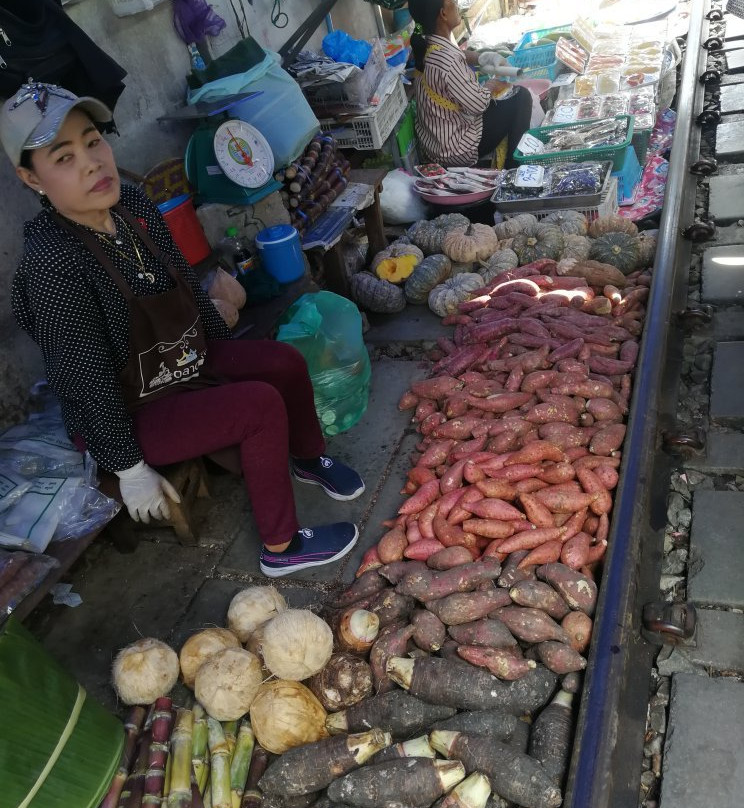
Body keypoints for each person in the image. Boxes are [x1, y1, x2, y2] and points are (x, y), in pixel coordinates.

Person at [0, 81, 364, 578]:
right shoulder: (52, 264)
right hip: (127, 408)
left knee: (282, 361)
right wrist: (128, 467)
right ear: (30, 178)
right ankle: (282, 547)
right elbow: (85, 379)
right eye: (63, 158)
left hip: (179, 359)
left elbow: (185, 284)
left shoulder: (132, 205)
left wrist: (224, 353)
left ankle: (307, 458)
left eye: (93, 142)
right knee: (257, 406)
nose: (91, 164)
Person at [408, 0, 532, 168]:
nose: (457, 4)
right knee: (522, 97)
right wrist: (491, 85)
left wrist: (482, 57)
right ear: (443, 14)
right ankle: (514, 168)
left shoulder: (428, 47)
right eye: (452, 2)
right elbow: (478, 104)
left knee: (505, 98)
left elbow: (458, 55)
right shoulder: (448, 60)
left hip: (436, 145)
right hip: (456, 150)